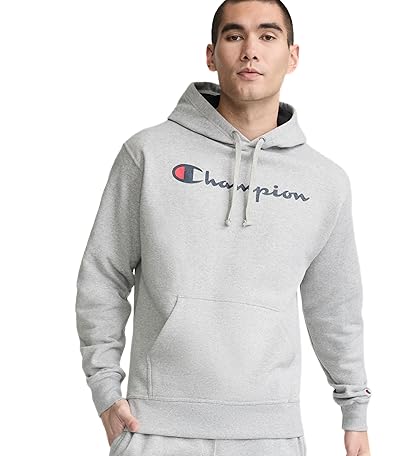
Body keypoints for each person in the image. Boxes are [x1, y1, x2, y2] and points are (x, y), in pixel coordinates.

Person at [75, 1, 372, 455]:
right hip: (156, 428)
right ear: (211, 55)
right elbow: (103, 274)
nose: (250, 50)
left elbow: (335, 306)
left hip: (271, 436)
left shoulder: (325, 182)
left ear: (292, 56)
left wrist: (355, 412)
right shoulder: (148, 153)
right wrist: (104, 391)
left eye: (268, 36)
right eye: (235, 36)